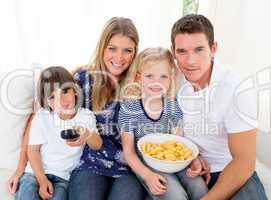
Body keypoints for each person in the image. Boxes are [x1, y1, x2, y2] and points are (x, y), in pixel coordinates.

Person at [171, 14, 268, 199]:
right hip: (190, 167)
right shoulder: (171, 78)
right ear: (173, 52)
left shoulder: (237, 89)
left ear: (213, 48)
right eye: (182, 51)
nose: (190, 61)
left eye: (199, 50)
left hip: (231, 169)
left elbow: (243, 162)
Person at [67, 17, 146, 200]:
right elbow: (46, 114)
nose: (119, 58)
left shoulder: (141, 83)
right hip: (91, 162)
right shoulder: (83, 78)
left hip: (129, 169)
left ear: (134, 53)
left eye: (127, 51)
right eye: (112, 48)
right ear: (102, 47)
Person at [119, 47, 208, 200]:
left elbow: (180, 142)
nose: (156, 82)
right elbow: (129, 153)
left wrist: (194, 159)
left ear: (171, 79)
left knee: (199, 187)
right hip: (147, 164)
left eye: (163, 77)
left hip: (174, 160)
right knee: (175, 195)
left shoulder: (172, 106)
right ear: (139, 79)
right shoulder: (129, 109)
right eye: (149, 76)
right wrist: (147, 176)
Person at [14, 66, 102, 200]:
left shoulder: (86, 116)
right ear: (47, 102)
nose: (62, 100)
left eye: (65, 91)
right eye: (53, 97)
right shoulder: (43, 116)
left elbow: (97, 145)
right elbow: (33, 151)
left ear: (75, 91)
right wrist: (42, 180)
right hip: (34, 173)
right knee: (27, 194)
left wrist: (87, 134)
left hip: (62, 177)